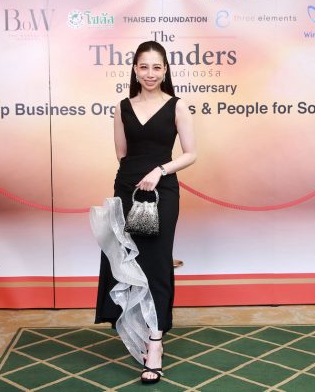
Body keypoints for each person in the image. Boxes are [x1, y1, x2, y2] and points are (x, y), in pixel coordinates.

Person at [94, 40, 196, 384]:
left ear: (165, 70)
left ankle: (155, 341)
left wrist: (160, 170)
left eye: (156, 67)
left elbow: (191, 153)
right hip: (127, 190)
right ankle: (136, 327)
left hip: (162, 191)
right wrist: (134, 180)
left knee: (156, 261)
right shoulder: (122, 107)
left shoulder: (177, 106)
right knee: (127, 261)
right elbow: (122, 155)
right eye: (143, 67)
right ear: (135, 70)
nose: (150, 73)